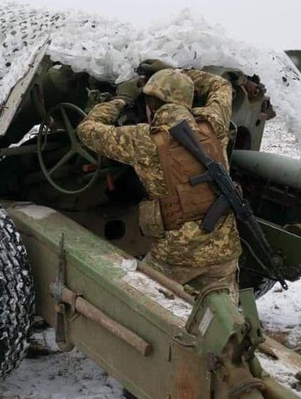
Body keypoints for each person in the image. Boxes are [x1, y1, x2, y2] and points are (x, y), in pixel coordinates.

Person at [76, 66, 242, 302]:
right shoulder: (214, 123)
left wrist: (120, 100)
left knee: (138, 304)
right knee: (220, 320)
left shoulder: (143, 140)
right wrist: (183, 74)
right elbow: (222, 85)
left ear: (150, 105)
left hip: (176, 256)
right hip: (225, 251)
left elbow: (86, 130)